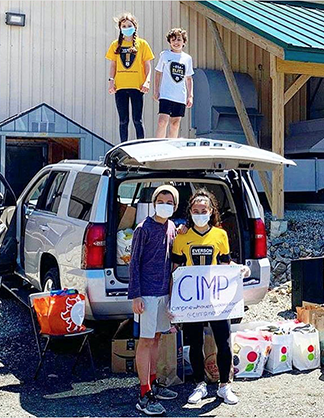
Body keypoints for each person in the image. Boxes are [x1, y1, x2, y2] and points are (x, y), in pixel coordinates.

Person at [171, 189, 250, 405]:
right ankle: (200, 384)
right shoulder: (182, 236)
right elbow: (176, 269)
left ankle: (224, 385)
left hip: (217, 298)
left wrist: (239, 270)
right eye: (195, 210)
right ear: (189, 211)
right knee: (195, 343)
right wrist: (173, 301)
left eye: (203, 210)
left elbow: (225, 263)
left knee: (223, 341)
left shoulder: (220, 235)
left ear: (211, 211)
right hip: (192, 301)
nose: (199, 213)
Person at [128, 185, 180, 416]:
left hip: (163, 293)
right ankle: (143, 393)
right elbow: (134, 263)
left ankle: (154, 383)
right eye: (161, 200)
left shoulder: (171, 228)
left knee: (157, 338)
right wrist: (136, 295)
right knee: (145, 341)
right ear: (153, 202)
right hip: (147, 294)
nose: (165, 205)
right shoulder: (143, 228)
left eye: (170, 202)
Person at [106, 13, 154, 142]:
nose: (127, 28)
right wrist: (111, 82)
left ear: (135, 27)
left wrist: (147, 81)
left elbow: (147, 65)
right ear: (120, 28)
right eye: (124, 26)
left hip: (137, 86)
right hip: (120, 86)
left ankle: (140, 144)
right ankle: (123, 144)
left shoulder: (142, 44)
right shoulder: (115, 45)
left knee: (137, 119)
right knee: (123, 120)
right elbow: (113, 65)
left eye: (129, 25)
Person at [154, 28, 194, 138]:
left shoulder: (187, 59)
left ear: (184, 42)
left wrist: (190, 95)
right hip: (166, 94)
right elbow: (158, 73)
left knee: (175, 124)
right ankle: (158, 145)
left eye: (179, 40)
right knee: (162, 121)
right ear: (170, 42)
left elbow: (189, 78)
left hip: (180, 95)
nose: (176, 43)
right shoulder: (165, 55)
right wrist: (156, 90)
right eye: (173, 40)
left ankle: (170, 146)